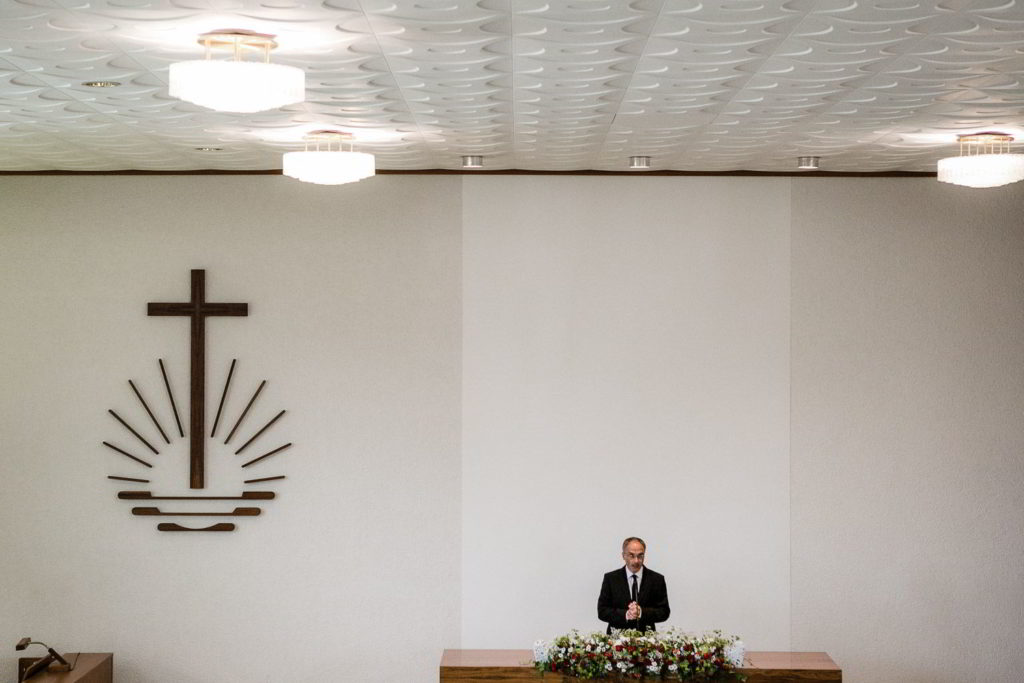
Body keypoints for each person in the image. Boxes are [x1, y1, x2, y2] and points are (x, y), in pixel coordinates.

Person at [597, 536, 670, 634]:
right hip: (616, 642)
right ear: (623, 556)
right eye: (631, 555)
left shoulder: (657, 579)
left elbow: (664, 612)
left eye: (640, 556)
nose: (636, 560)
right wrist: (626, 614)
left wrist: (641, 612)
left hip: (647, 643)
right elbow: (602, 611)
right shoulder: (611, 578)